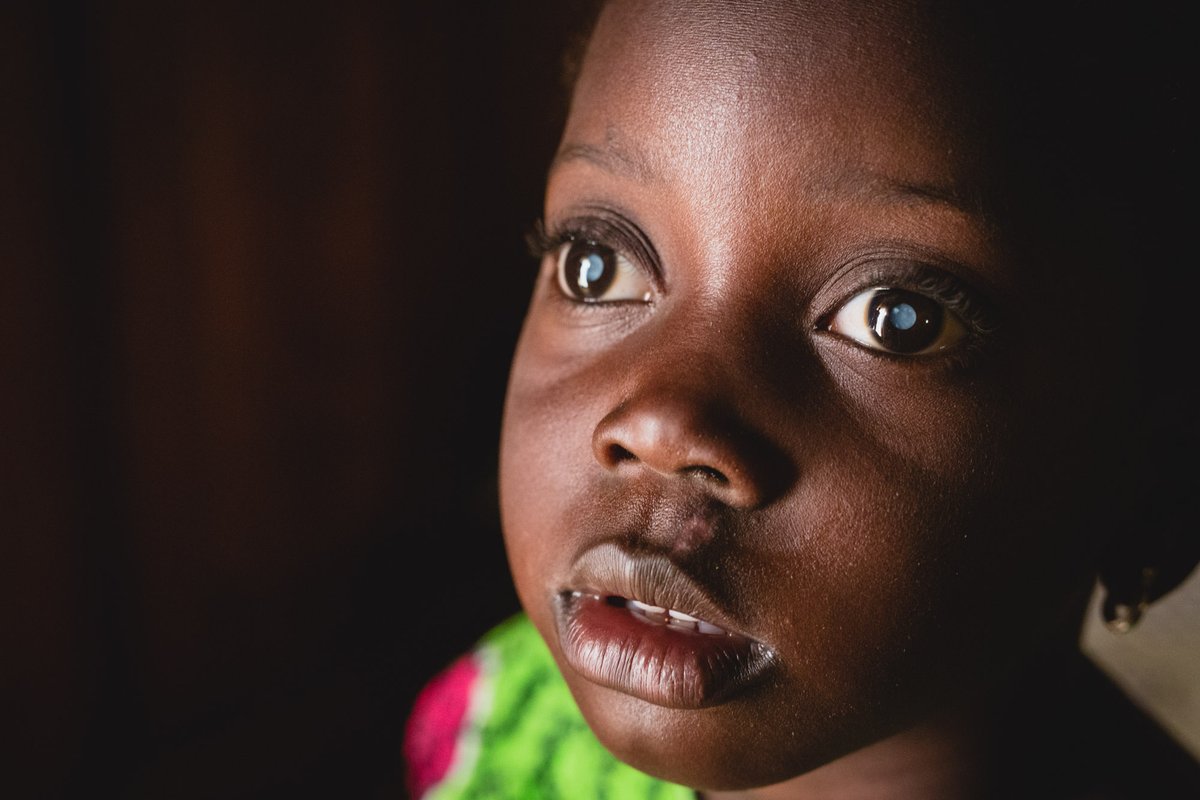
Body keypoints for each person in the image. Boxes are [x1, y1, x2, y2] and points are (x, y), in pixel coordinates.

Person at [403, 1, 1199, 797]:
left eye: (897, 320)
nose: (662, 424)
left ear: (1163, 486)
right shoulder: (499, 728)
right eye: (596, 263)